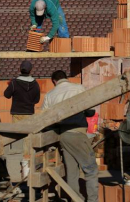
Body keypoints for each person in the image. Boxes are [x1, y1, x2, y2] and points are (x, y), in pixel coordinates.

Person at [42, 70, 98, 202]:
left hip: (63, 137)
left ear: (54, 81)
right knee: (91, 170)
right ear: (66, 78)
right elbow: (90, 111)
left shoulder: (50, 95)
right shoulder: (78, 88)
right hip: (77, 133)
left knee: (72, 173)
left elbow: (45, 119)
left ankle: (75, 199)